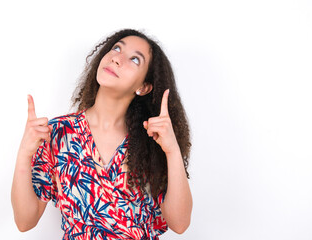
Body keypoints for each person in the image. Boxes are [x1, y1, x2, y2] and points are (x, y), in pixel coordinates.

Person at [11, 29, 192, 240]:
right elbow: (25, 221)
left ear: (143, 87)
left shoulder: (152, 137)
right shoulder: (59, 132)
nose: (117, 58)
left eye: (134, 59)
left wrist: (172, 151)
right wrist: (24, 153)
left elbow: (180, 224)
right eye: (116, 48)